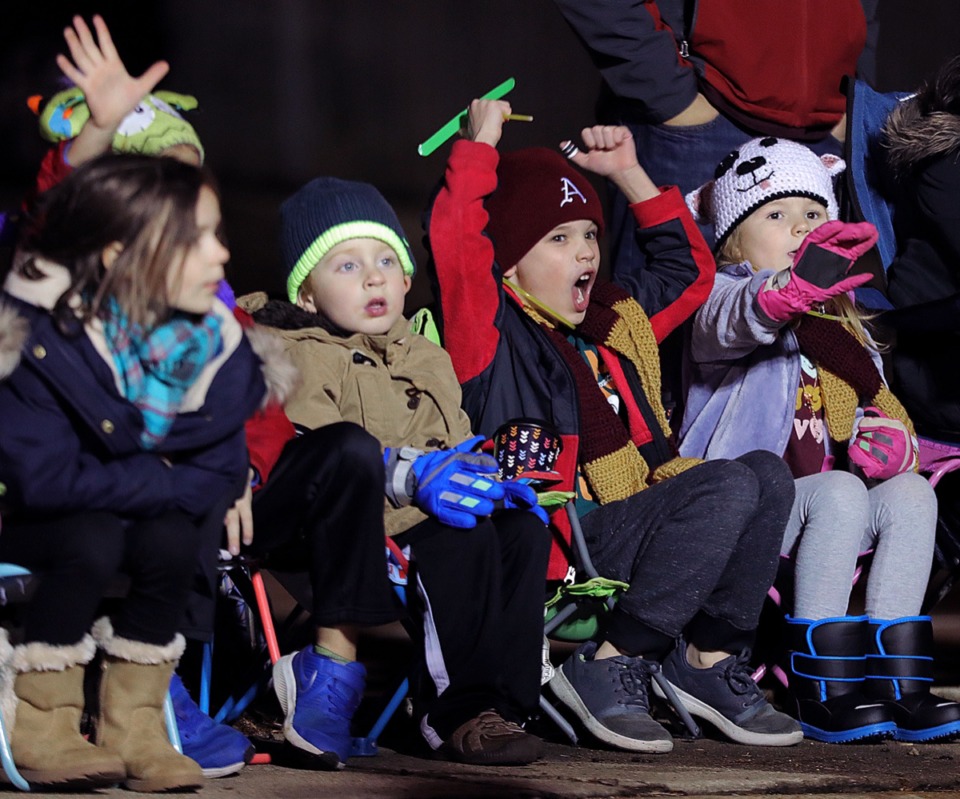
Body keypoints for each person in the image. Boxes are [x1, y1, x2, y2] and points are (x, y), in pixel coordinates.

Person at [424, 98, 801, 753]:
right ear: (508, 263)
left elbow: (689, 273)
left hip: (629, 535)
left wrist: (628, 173)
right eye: (559, 239)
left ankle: (707, 661)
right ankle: (606, 662)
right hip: (563, 561)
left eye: (591, 235)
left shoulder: (612, 327)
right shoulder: (489, 335)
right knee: (726, 488)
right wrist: (479, 147)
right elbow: (457, 243)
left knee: (765, 473)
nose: (585, 252)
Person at [236, 176, 552, 768]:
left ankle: (505, 707)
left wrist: (485, 475)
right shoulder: (297, 351)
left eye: (386, 260)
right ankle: (452, 712)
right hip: (356, 533)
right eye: (347, 265)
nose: (374, 276)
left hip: (428, 509)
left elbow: (456, 439)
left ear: (407, 279)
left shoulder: (426, 355)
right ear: (307, 295)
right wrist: (419, 478)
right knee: (455, 537)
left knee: (521, 531)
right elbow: (320, 453)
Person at [21, 14, 258, 777]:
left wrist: (177, 486)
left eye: (215, 229)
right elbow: (46, 479)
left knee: (170, 535)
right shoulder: (51, 324)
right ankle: (43, 718)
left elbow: (217, 471)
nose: (221, 254)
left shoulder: (215, 344)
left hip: (132, 511)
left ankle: (137, 722)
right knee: (98, 532)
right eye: (194, 235)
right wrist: (103, 130)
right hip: (43, 522)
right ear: (120, 245)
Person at [678, 135, 960, 743]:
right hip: (745, 511)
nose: (800, 228)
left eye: (813, 215)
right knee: (835, 491)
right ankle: (821, 685)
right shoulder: (720, 300)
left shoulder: (841, 323)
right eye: (776, 216)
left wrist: (887, 437)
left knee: (912, 495)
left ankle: (898, 685)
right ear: (732, 238)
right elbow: (741, 318)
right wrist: (787, 295)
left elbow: (876, 405)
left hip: (830, 510)